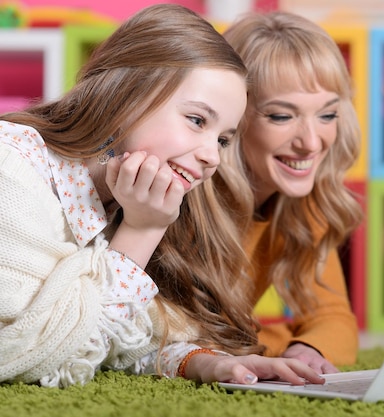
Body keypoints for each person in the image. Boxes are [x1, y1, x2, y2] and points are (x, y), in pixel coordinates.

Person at [0, 4, 323, 388]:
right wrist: (142, 231)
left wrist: (206, 364)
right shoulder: (13, 168)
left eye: (222, 139)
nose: (211, 156)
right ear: (127, 96)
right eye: (197, 120)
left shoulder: (130, 196)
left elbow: (117, 336)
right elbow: (32, 355)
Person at [213, 11, 364, 374]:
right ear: (233, 116)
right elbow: (183, 336)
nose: (311, 142)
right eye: (282, 116)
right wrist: (277, 342)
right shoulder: (189, 194)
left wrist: (306, 347)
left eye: (327, 115)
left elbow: (334, 317)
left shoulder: (306, 202)